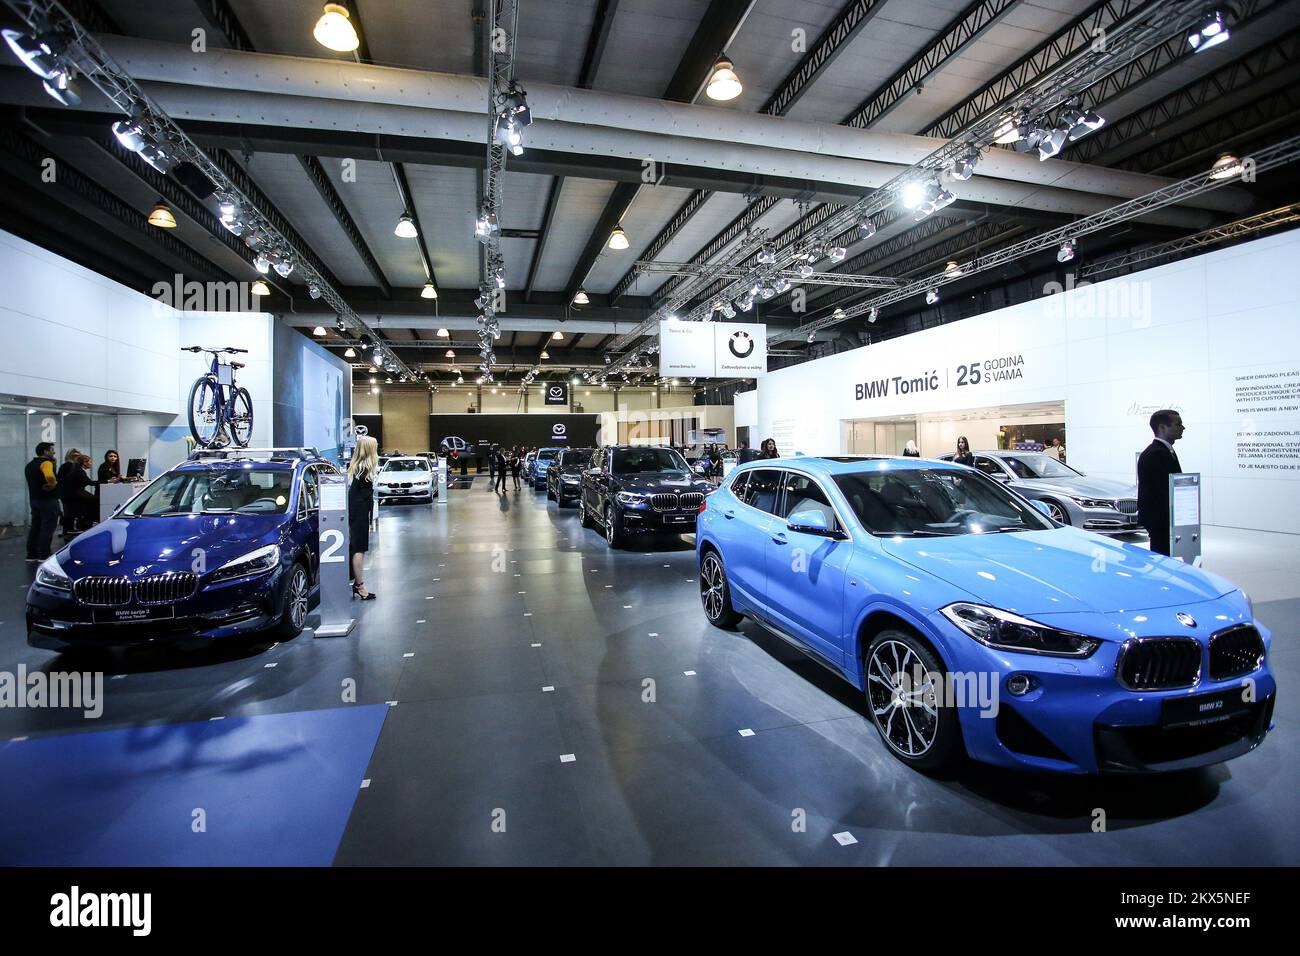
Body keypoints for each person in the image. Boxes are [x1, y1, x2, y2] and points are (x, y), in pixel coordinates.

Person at [1137, 409, 1184, 557]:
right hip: (1161, 519)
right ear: (1162, 427)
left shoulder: (1165, 451)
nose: (1183, 428)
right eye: (1178, 424)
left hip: (1163, 518)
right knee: (1162, 555)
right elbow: (1160, 490)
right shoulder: (1156, 453)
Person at [347, 435, 378, 600]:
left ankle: (358, 583)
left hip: (357, 513)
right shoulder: (363, 471)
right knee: (359, 549)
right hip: (358, 515)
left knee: (357, 548)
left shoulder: (357, 469)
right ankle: (360, 586)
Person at [25, 441, 60, 562]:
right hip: (48, 500)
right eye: (51, 450)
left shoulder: (29, 465)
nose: (53, 452)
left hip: (34, 500)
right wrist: (53, 484)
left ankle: (31, 554)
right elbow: (50, 476)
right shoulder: (46, 463)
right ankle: (43, 554)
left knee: (35, 526)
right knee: (47, 527)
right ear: (45, 452)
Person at [57, 449, 95, 536]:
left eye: (78, 456)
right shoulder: (70, 467)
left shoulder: (72, 467)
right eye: (75, 456)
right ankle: (70, 531)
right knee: (70, 513)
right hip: (70, 494)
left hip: (69, 493)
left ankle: (69, 531)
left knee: (69, 513)